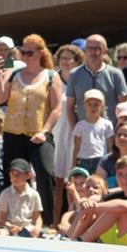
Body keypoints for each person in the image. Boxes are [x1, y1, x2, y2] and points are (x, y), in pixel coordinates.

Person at [0, 34, 61, 225]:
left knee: (45, 173)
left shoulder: (51, 76)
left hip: (38, 133)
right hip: (13, 132)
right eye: (23, 52)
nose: (25, 56)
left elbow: (57, 108)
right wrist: (0, 75)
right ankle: (7, 220)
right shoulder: (14, 73)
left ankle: (47, 222)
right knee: (12, 174)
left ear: (40, 53)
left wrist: (45, 131)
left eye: (29, 52)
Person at [72, 155, 127, 248]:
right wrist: (88, 201)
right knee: (92, 208)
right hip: (121, 239)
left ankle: (81, 240)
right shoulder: (118, 195)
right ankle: (69, 237)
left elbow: (124, 206)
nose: (124, 178)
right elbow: (97, 198)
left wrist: (95, 206)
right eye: (120, 174)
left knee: (119, 210)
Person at [67, 35, 127, 129]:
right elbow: (70, 107)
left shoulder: (115, 74)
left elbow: (124, 106)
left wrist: (119, 131)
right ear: (85, 51)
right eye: (89, 48)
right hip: (84, 132)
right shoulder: (74, 74)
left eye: (97, 48)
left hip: (109, 132)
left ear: (105, 51)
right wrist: (75, 131)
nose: (93, 52)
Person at [51, 43, 84, 224]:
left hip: (75, 134)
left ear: (77, 61)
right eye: (62, 58)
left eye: (69, 58)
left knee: (73, 181)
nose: (65, 62)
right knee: (56, 182)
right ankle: (55, 222)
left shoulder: (80, 79)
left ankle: (73, 224)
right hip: (56, 132)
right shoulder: (52, 78)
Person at [0, 158, 42, 237]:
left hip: (28, 228)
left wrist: (37, 228)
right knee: (1, 233)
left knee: (36, 235)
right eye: (12, 174)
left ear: (28, 176)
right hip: (9, 227)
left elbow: (38, 217)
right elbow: (1, 218)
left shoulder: (34, 194)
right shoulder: (5, 194)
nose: (14, 177)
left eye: (18, 174)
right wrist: (10, 226)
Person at [72, 89, 114, 175]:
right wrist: (73, 164)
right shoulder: (80, 125)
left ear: (102, 106)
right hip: (83, 160)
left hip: (101, 159)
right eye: (89, 104)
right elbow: (76, 147)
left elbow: (110, 146)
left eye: (96, 105)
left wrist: (111, 162)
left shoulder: (107, 124)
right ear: (85, 105)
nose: (92, 107)